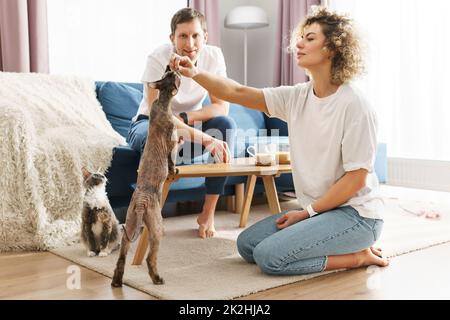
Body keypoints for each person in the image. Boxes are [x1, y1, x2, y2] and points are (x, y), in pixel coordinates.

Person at [171, 6, 389, 275]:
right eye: (301, 37)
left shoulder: (355, 105)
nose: (299, 43)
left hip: (357, 216)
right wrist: (195, 73)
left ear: (332, 49)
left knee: (269, 258)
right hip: (322, 213)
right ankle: (329, 240)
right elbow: (236, 91)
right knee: (247, 245)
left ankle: (357, 257)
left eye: (310, 38)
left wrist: (306, 213)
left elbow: (356, 177)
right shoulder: (297, 96)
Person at [127, 8, 235, 239]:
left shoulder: (213, 57)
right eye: (183, 36)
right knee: (159, 134)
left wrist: (186, 120)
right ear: (172, 39)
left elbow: (221, 106)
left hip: (186, 129)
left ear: (205, 37)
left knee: (225, 124)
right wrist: (204, 138)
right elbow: (159, 116)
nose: (190, 43)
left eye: (196, 36)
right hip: (148, 125)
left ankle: (208, 214)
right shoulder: (158, 58)